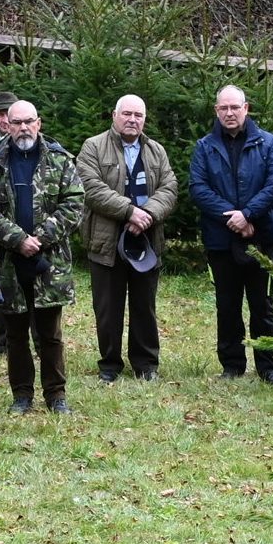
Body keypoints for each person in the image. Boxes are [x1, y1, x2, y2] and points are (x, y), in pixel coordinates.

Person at [0, 98, 85, 415]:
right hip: (10, 262)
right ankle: (21, 396)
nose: (23, 127)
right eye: (17, 122)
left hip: (48, 263)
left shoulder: (60, 160)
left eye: (29, 121)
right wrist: (18, 239)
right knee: (15, 335)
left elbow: (75, 203)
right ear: (7, 126)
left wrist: (40, 238)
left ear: (39, 123)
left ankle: (56, 395)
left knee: (50, 335)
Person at [190, 86, 273, 384]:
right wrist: (232, 217)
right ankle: (232, 365)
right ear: (216, 111)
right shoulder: (205, 146)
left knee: (263, 306)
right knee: (227, 306)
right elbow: (198, 188)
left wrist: (247, 214)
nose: (229, 113)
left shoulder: (268, 143)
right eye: (224, 108)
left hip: (261, 237)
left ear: (246, 108)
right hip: (221, 241)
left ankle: (268, 367)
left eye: (235, 107)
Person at [78, 95, 180, 383]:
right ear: (114, 115)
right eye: (127, 114)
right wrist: (129, 211)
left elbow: (169, 188)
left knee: (144, 306)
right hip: (106, 243)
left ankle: (146, 364)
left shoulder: (156, 151)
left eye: (138, 115)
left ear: (144, 119)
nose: (132, 119)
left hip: (146, 241)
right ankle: (109, 365)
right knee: (108, 309)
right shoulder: (93, 147)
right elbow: (90, 187)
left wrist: (147, 213)